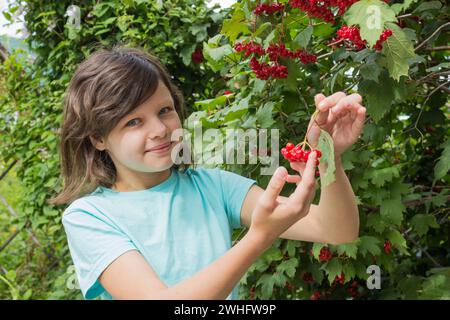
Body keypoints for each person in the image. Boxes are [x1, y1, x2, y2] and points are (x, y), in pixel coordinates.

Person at [49, 45, 366, 300]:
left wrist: (328, 158)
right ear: (98, 138)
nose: (160, 129)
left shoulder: (214, 187)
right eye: (133, 122)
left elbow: (336, 230)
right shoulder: (89, 216)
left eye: (164, 110)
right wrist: (259, 237)